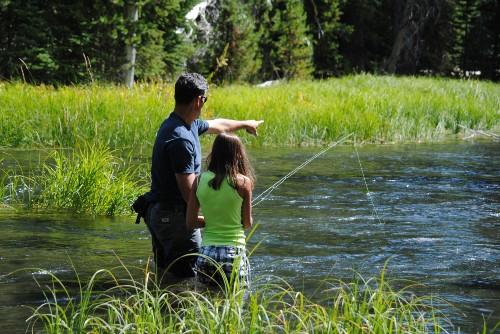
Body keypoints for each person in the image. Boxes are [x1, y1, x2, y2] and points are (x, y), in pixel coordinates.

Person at [146, 72, 263, 278]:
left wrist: (246, 124)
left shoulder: (183, 124)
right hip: (174, 220)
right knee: (188, 279)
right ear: (199, 100)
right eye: (205, 99)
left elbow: (220, 125)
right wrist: (222, 219)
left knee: (167, 278)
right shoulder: (180, 138)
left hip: (163, 216)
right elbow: (189, 193)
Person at [186, 133, 254, 287]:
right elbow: (247, 224)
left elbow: (190, 222)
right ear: (237, 155)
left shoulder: (199, 180)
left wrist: (211, 220)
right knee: (236, 303)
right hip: (233, 254)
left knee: (206, 304)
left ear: (214, 153)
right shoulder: (243, 182)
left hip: (206, 254)